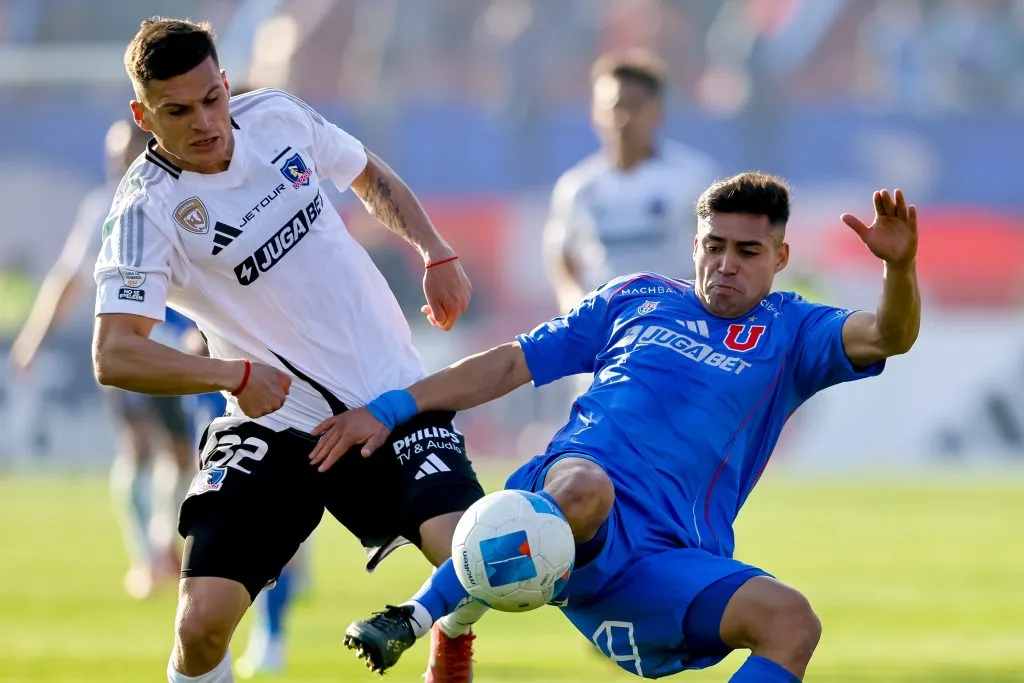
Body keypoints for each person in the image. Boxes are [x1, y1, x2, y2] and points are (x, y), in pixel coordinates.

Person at [314, 173, 922, 682]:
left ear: (781, 258)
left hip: (666, 557)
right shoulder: (635, 297)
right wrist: (393, 408)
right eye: (714, 246)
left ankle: (456, 615)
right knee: (584, 487)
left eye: (747, 251)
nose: (726, 264)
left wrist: (899, 268)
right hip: (572, 499)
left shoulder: (794, 331)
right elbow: (511, 363)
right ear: (694, 246)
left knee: (792, 623)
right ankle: (418, 617)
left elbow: (890, 335)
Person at [92, 18, 485, 683]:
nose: (206, 122)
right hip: (272, 425)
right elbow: (115, 354)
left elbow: (366, 176)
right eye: (178, 111)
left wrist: (435, 250)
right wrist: (232, 373)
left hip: (386, 396)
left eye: (212, 97)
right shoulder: (144, 210)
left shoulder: (274, 116)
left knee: (477, 555)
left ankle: (450, 630)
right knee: (200, 624)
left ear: (224, 80)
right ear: (143, 114)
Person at [9, 119, 195, 600]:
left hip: (174, 348)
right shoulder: (103, 209)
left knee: (180, 454)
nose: (117, 164)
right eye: (112, 156)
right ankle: (146, 557)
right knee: (136, 446)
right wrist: (34, 338)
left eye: (125, 153)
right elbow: (68, 278)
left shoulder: (172, 195)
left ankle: (160, 543)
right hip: (126, 346)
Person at [544, 49, 717, 315]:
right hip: (608, 328)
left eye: (635, 105)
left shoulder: (694, 177)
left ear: (658, 112)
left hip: (678, 322)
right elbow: (562, 253)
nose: (623, 118)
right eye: (614, 107)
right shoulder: (578, 186)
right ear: (595, 114)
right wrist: (573, 301)